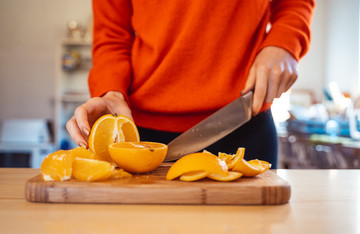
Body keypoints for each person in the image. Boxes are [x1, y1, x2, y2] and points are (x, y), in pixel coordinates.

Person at [66, 0, 315, 168]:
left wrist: (285, 42)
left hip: (244, 121)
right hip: (138, 135)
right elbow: (111, 34)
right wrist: (111, 91)